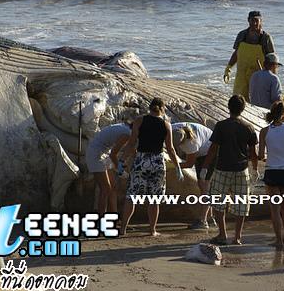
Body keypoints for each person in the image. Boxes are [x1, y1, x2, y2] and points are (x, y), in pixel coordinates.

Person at [200, 95, 259, 245]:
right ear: (243, 109)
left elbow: (213, 150)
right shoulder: (248, 127)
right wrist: (255, 169)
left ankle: (222, 234)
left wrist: (205, 167)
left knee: (217, 201)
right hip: (242, 169)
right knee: (241, 204)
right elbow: (253, 152)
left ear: (228, 107)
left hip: (222, 168)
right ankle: (237, 237)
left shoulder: (221, 126)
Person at [119, 98, 183, 236]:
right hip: (157, 162)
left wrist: (122, 161)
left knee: (132, 196)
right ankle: (152, 230)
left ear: (149, 108)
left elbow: (131, 143)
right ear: (162, 109)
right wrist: (178, 167)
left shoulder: (139, 121)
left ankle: (123, 228)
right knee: (154, 199)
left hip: (141, 160)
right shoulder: (166, 124)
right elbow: (171, 149)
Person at [258, 100, 284, 249]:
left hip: (271, 170)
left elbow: (261, 154)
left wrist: (269, 158)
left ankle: (278, 239)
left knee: (274, 209)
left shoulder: (264, 131)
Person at [171, 122, 217, 229]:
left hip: (210, 152)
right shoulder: (173, 128)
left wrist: (173, 166)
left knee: (204, 186)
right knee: (203, 186)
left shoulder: (191, 143)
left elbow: (189, 163)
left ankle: (202, 221)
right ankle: (210, 218)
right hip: (204, 145)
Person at [224, 11, 275, 101]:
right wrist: (228, 67)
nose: (254, 23)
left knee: (257, 102)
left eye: (257, 21)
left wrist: (272, 78)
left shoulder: (266, 38)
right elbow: (236, 53)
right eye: (252, 20)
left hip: (258, 76)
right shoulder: (242, 35)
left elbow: (272, 60)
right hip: (242, 75)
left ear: (261, 21)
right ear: (248, 21)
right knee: (238, 100)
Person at [86, 122, 131, 213]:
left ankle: (114, 216)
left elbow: (131, 148)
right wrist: (120, 170)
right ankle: (102, 220)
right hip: (97, 154)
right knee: (105, 189)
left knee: (113, 186)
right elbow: (113, 155)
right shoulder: (127, 134)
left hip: (103, 153)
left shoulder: (125, 127)